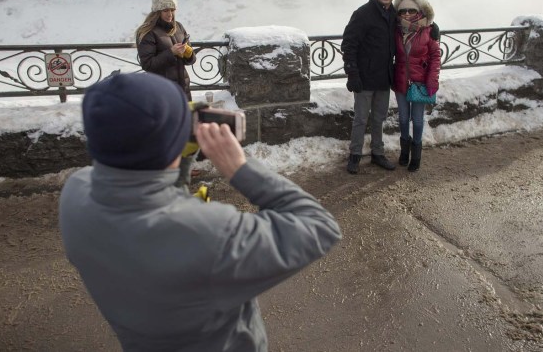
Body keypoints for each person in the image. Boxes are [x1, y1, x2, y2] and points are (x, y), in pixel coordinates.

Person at [58, 73, 342, 352]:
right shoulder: (211, 234)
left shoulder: (75, 193)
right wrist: (239, 168)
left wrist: (175, 152)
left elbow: (151, 195)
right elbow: (318, 225)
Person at [135, 0, 197, 188]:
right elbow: (148, 64)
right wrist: (171, 52)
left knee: (185, 129)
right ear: (156, 12)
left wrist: (188, 52)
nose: (169, 14)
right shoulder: (148, 33)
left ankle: (184, 167)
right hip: (162, 91)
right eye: (165, 10)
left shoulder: (178, 26)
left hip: (183, 87)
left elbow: (190, 58)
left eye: (171, 9)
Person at [342, 0, 398, 174]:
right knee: (360, 119)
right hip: (364, 78)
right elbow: (349, 44)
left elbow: (414, 24)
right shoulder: (363, 13)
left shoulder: (394, 14)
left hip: (384, 78)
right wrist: (352, 74)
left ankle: (377, 153)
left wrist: (432, 26)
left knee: (379, 118)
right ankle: (355, 155)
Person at [392, 0, 441, 171]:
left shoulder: (429, 31)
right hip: (401, 82)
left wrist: (432, 82)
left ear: (419, 11)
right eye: (403, 11)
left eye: (411, 10)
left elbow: (436, 57)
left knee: (417, 120)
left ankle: (416, 155)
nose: (406, 14)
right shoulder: (396, 30)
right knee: (403, 119)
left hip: (420, 83)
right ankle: (404, 151)